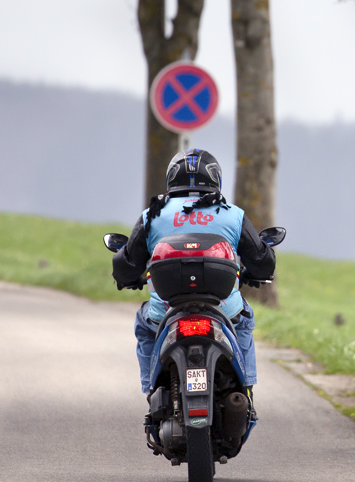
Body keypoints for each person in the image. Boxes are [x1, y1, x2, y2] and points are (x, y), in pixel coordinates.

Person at [111, 148, 276, 408]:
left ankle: (151, 390)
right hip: (224, 310)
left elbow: (128, 264)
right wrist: (257, 274)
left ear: (171, 178)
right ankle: (246, 388)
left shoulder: (153, 214)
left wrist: (127, 276)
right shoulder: (232, 214)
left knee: (144, 325)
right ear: (215, 179)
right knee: (244, 320)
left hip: (164, 311)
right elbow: (261, 260)